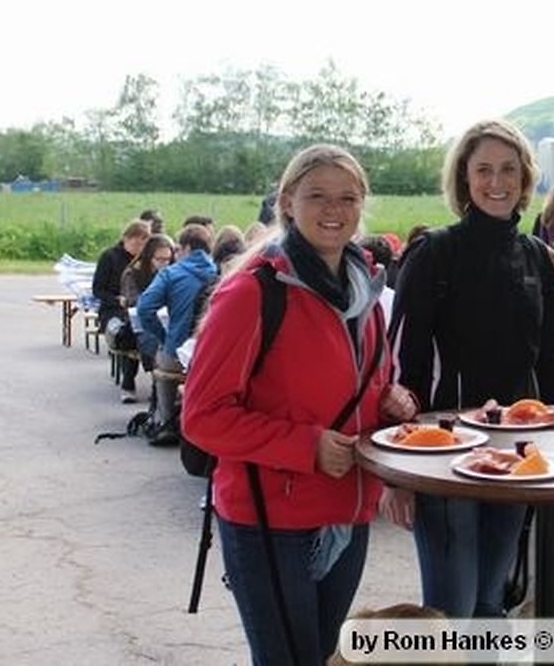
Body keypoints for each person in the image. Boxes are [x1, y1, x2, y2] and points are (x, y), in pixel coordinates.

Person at [183, 144, 417, 666]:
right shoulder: (252, 293)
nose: (334, 210)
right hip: (271, 520)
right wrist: (306, 447)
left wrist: (393, 401)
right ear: (287, 202)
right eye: (317, 196)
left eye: (347, 198)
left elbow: (369, 384)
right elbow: (201, 416)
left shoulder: (365, 289)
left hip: (348, 512)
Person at [385, 118, 554, 617]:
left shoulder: (537, 258)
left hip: (518, 454)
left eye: (508, 169)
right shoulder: (433, 253)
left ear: (525, 177)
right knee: (451, 611)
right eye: (483, 169)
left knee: (490, 604)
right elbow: (402, 368)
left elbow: (550, 363)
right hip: (446, 457)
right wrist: (397, 475)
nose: (496, 181)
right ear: (464, 178)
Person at [136, 223, 218, 445]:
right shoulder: (223, 273)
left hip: (178, 351)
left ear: (187, 248)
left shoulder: (171, 274)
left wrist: (164, 338)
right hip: (212, 354)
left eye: (178, 249)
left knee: (163, 360)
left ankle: (165, 420)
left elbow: (144, 309)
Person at [92, 220, 151, 402]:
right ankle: (128, 382)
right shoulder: (109, 257)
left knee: (144, 329)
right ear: (125, 238)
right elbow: (98, 290)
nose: (138, 247)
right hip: (112, 309)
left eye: (143, 244)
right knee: (127, 331)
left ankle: (158, 385)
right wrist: (117, 299)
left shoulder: (146, 261)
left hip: (136, 307)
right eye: (135, 242)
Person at [119, 233, 175, 404]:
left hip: (166, 318)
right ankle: (149, 381)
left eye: (167, 259)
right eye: (159, 259)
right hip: (137, 319)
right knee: (149, 337)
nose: (164, 264)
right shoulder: (132, 273)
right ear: (149, 257)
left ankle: (163, 383)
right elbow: (132, 300)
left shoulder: (173, 272)